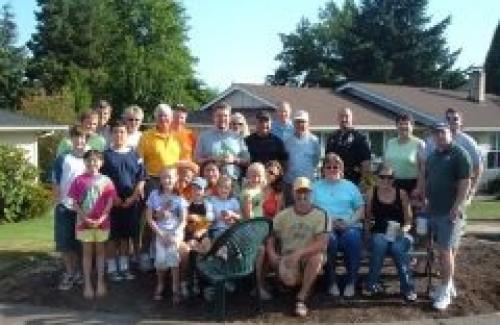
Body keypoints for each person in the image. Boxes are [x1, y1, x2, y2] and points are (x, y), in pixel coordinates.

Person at [264, 176, 328, 317]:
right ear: (293, 194)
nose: (302, 195)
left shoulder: (321, 214)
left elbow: (322, 242)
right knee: (290, 281)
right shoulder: (283, 215)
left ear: (311, 194)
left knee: (317, 257)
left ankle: (301, 298)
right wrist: (272, 254)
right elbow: (270, 236)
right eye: (299, 192)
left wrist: (299, 253)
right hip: (288, 255)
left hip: (308, 255)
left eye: (306, 192)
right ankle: (302, 283)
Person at [425, 122, 471, 310]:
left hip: (449, 212)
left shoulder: (459, 154)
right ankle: (448, 284)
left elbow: (465, 183)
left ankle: (444, 291)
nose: (440, 137)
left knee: (445, 252)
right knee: (444, 251)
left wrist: (457, 206)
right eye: (436, 134)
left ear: (450, 133)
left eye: (443, 133)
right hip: (433, 210)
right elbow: (430, 178)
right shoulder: (433, 155)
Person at [137, 103, 189, 270]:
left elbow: (182, 161)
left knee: (171, 216)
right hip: (153, 180)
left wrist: (180, 180)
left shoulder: (176, 137)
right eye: (160, 115)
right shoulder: (147, 136)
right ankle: (146, 254)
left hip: (172, 182)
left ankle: (168, 251)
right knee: (152, 217)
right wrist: (142, 181)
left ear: (171, 118)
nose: (163, 118)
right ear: (155, 118)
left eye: (166, 115)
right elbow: (139, 162)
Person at [311, 153, 364, 298]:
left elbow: (360, 208)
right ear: (323, 169)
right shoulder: (315, 187)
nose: (332, 169)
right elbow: (312, 209)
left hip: (349, 224)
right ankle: (331, 282)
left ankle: (351, 282)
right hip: (325, 225)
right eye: (329, 167)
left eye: (336, 166)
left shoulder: (350, 186)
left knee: (352, 238)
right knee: (330, 240)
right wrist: (330, 221)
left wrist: (350, 222)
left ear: (341, 168)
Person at [67, 150, 117, 299]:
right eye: (89, 160)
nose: (92, 163)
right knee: (87, 253)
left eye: (95, 160)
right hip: (84, 224)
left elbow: (110, 202)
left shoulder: (107, 180)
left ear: (101, 163)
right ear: (85, 162)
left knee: (101, 253)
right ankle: (88, 284)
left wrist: (102, 218)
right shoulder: (78, 180)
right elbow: (74, 203)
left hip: (102, 223)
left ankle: (101, 282)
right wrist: (84, 218)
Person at [364, 164, 417, 301]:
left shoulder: (401, 194)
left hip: (399, 234)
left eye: (390, 177)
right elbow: (368, 218)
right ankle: (371, 285)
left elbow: (409, 221)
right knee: (381, 243)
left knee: (397, 247)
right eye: (382, 177)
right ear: (377, 178)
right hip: (379, 234)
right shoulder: (371, 193)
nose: (386, 180)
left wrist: (403, 230)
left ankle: (408, 288)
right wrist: (366, 234)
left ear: (394, 179)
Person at [101, 121, 145, 282]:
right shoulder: (105, 155)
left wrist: (133, 198)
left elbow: (141, 178)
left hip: (131, 203)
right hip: (111, 204)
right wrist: (113, 198)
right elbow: (102, 180)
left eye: (122, 132)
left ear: (127, 135)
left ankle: (125, 267)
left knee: (126, 237)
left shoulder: (135, 155)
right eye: (116, 132)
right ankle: (112, 268)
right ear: (111, 135)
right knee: (112, 237)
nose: (119, 135)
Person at [52, 125, 87, 291]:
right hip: (65, 207)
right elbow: (56, 182)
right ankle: (69, 273)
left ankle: (79, 273)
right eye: (76, 137)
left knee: (80, 244)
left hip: (83, 210)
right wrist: (59, 202)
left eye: (82, 137)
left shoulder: (90, 160)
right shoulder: (62, 158)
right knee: (65, 243)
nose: (79, 140)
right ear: (71, 139)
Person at [145, 166, 188, 304]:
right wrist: (161, 234)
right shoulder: (154, 195)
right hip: (160, 232)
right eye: (164, 177)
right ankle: (161, 284)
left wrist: (175, 234)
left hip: (175, 232)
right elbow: (150, 218)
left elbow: (183, 220)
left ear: (176, 179)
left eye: (170, 177)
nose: (167, 180)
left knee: (173, 257)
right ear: (160, 179)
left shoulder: (180, 197)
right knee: (161, 259)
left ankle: (175, 288)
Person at [424, 108, 483, 205]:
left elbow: (478, 167)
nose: (451, 121)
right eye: (448, 119)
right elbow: (425, 166)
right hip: (435, 191)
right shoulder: (431, 141)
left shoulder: (468, 142)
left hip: (458, 192)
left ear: (460, 122)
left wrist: (472, 190)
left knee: (454, 218)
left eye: (455, 119)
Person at [195, 102, 250, 182]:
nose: (222, 119)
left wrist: (233, 160)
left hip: (233, 182)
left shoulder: (237, 137)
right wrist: (211, 159)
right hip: (210, 182)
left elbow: (247, 160)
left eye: (225, 116)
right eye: (219, 116)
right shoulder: (204, 136)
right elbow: (196, 159)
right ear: (214, 117)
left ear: (229, 117)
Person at [325, 107, 371, 186]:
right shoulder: (332, 138)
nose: (344, 119)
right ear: (338, 119)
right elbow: (327, 161)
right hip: (334, 180)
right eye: (341, 116)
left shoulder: (360, 138)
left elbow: (366, 163)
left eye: (347, 116)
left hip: (354, 180)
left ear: (352, 118)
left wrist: (365, 183)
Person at [283, 110, 321, 205]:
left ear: (308, 123)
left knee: (308, 209)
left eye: (303, 122)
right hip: (290, 183)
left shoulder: (314, 140)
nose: (300, 124)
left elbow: (316, 160)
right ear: (293, 123)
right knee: (290, 209)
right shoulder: (286, 140)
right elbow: (284, 160)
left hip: (308, 183)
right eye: (297, 122)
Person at [384, 114, 425, 196]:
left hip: (412, 185)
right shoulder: (390, 142)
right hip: (392, 184)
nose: (403, 126)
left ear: (412, 126)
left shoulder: (419, 143)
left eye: (406, 124)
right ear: (396, 126)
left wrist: (419, 188)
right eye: (400, 124)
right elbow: (386, 165)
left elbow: (423, 169)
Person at [207, 175, 241, 239]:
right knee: (219, 236)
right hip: (216, 229)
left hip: (231, 229)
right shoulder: (212, 200)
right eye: (221, 187)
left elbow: (240, 217)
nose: (223, 190)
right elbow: (209, 215)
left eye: (226, 188)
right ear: (217, 188)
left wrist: (232, 214)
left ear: (230, 189)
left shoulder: (233, 201)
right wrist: (216, 217)